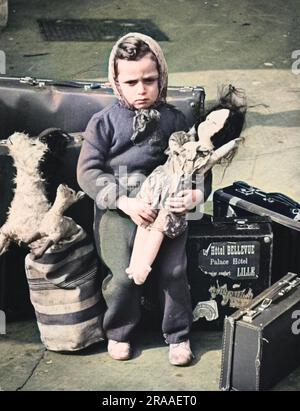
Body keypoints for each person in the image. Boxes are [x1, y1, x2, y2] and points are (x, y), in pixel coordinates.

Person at [77, 32, 211, 366]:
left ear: (161, 77)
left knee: (173, 271)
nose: (141, 90)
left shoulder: (176, 120)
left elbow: (198, 165)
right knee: (123, 275)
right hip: (120, 207)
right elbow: (88, 172)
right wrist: (124, 201)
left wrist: (195, 193)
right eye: (131, 82)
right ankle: (120, 331)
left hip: (166, 206)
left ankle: (178, 335)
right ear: (116, 82)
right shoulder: (104, 122)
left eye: (149, 80)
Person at [125, 85, 247, 286]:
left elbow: (209, 166)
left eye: (215, 123)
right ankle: (135, 263)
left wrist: (198, 195)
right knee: (144, 222)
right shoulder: (188, 138)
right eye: (208, 119)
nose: (207, 124)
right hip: (158, 182)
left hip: (175, 189)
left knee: (159, 225)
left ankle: (144, 266)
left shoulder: (204, 153)